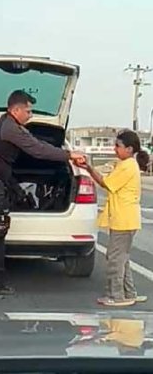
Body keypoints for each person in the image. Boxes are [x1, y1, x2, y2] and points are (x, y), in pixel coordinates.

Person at [0, 90, 86, 300]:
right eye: (28, 110)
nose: (30, 115)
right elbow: (38, 149)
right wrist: (69, 154)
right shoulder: (10, 128)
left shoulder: (1, 124)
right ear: (15, 109)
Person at [76, 130, 149, 306]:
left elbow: (106, 183)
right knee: (122, 257)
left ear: (130, 149)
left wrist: (89, 168)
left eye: (118, 146)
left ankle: (116, 296)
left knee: (115, 258)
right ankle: (128, 293)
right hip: (126, 218)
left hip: (123, 219)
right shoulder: (127, 164)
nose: (114, 149)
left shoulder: (127, 166)